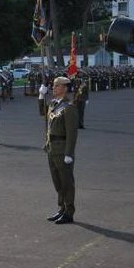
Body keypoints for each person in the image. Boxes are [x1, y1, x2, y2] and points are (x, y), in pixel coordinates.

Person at [43, 77, 80, 224]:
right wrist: (41, 97)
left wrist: (69, 153)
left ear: (65, 88)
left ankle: (69, 212)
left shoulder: (69, 107)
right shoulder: (53, 104)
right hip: (52, 147)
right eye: (53, 86)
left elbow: (72, 132)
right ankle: (62, 208)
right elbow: (43, 114)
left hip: (62, 147)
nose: (53, 88)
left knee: (66, 182)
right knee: (57, 181)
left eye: (56, 86)